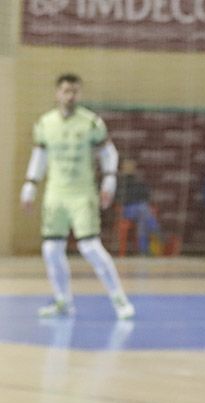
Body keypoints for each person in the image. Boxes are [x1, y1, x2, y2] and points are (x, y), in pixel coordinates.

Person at [19, 73, 135, 320]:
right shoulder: (45, 123)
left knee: (90, 246)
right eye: (65, 91)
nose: (70, 96)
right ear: (57, 93)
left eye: (74, 91)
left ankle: (119, 298)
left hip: (82, 194)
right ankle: (62, 301)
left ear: (79, 94)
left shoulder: (91, 123)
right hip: (55, 194)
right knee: (51, 249)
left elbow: (108, 153)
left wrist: (109, 180)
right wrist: (30, 185)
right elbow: (39, 157)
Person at [114, 158, 161, 256]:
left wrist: (136, 197)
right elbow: (119, 198)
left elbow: (146, 195)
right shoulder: (119, 181)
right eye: (127, 166)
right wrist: (133, 198)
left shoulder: (137, 180)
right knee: (143, 209)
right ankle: (155, 230)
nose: (130, 168)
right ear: (123, 168)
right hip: (126, 210)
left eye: (131, 166)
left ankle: (143, 251)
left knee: (142, 220)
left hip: (139, 209)